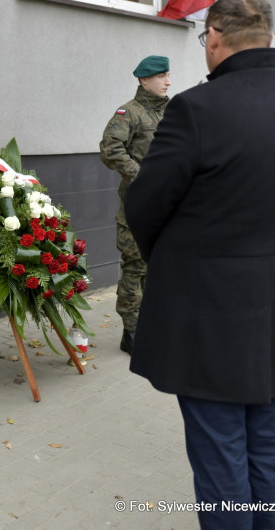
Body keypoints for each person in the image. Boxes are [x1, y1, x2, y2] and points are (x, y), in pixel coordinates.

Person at [125, 0, 275, 530]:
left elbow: (145, 206)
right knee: (267, 437)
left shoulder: (196, 108)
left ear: (214, 40)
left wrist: (176, 265)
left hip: (212, 316)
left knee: (221, 449)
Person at [99, 55, 170, 354]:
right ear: (144, 80)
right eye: (162, 76)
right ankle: (131, 331)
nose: (168, 81)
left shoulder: (172, 112)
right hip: (137, 204)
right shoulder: (129, 112)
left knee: (160, 266)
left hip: (168, 204)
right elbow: (110, 149)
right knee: (135, 265)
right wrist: (141, 175)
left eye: (168, 76)